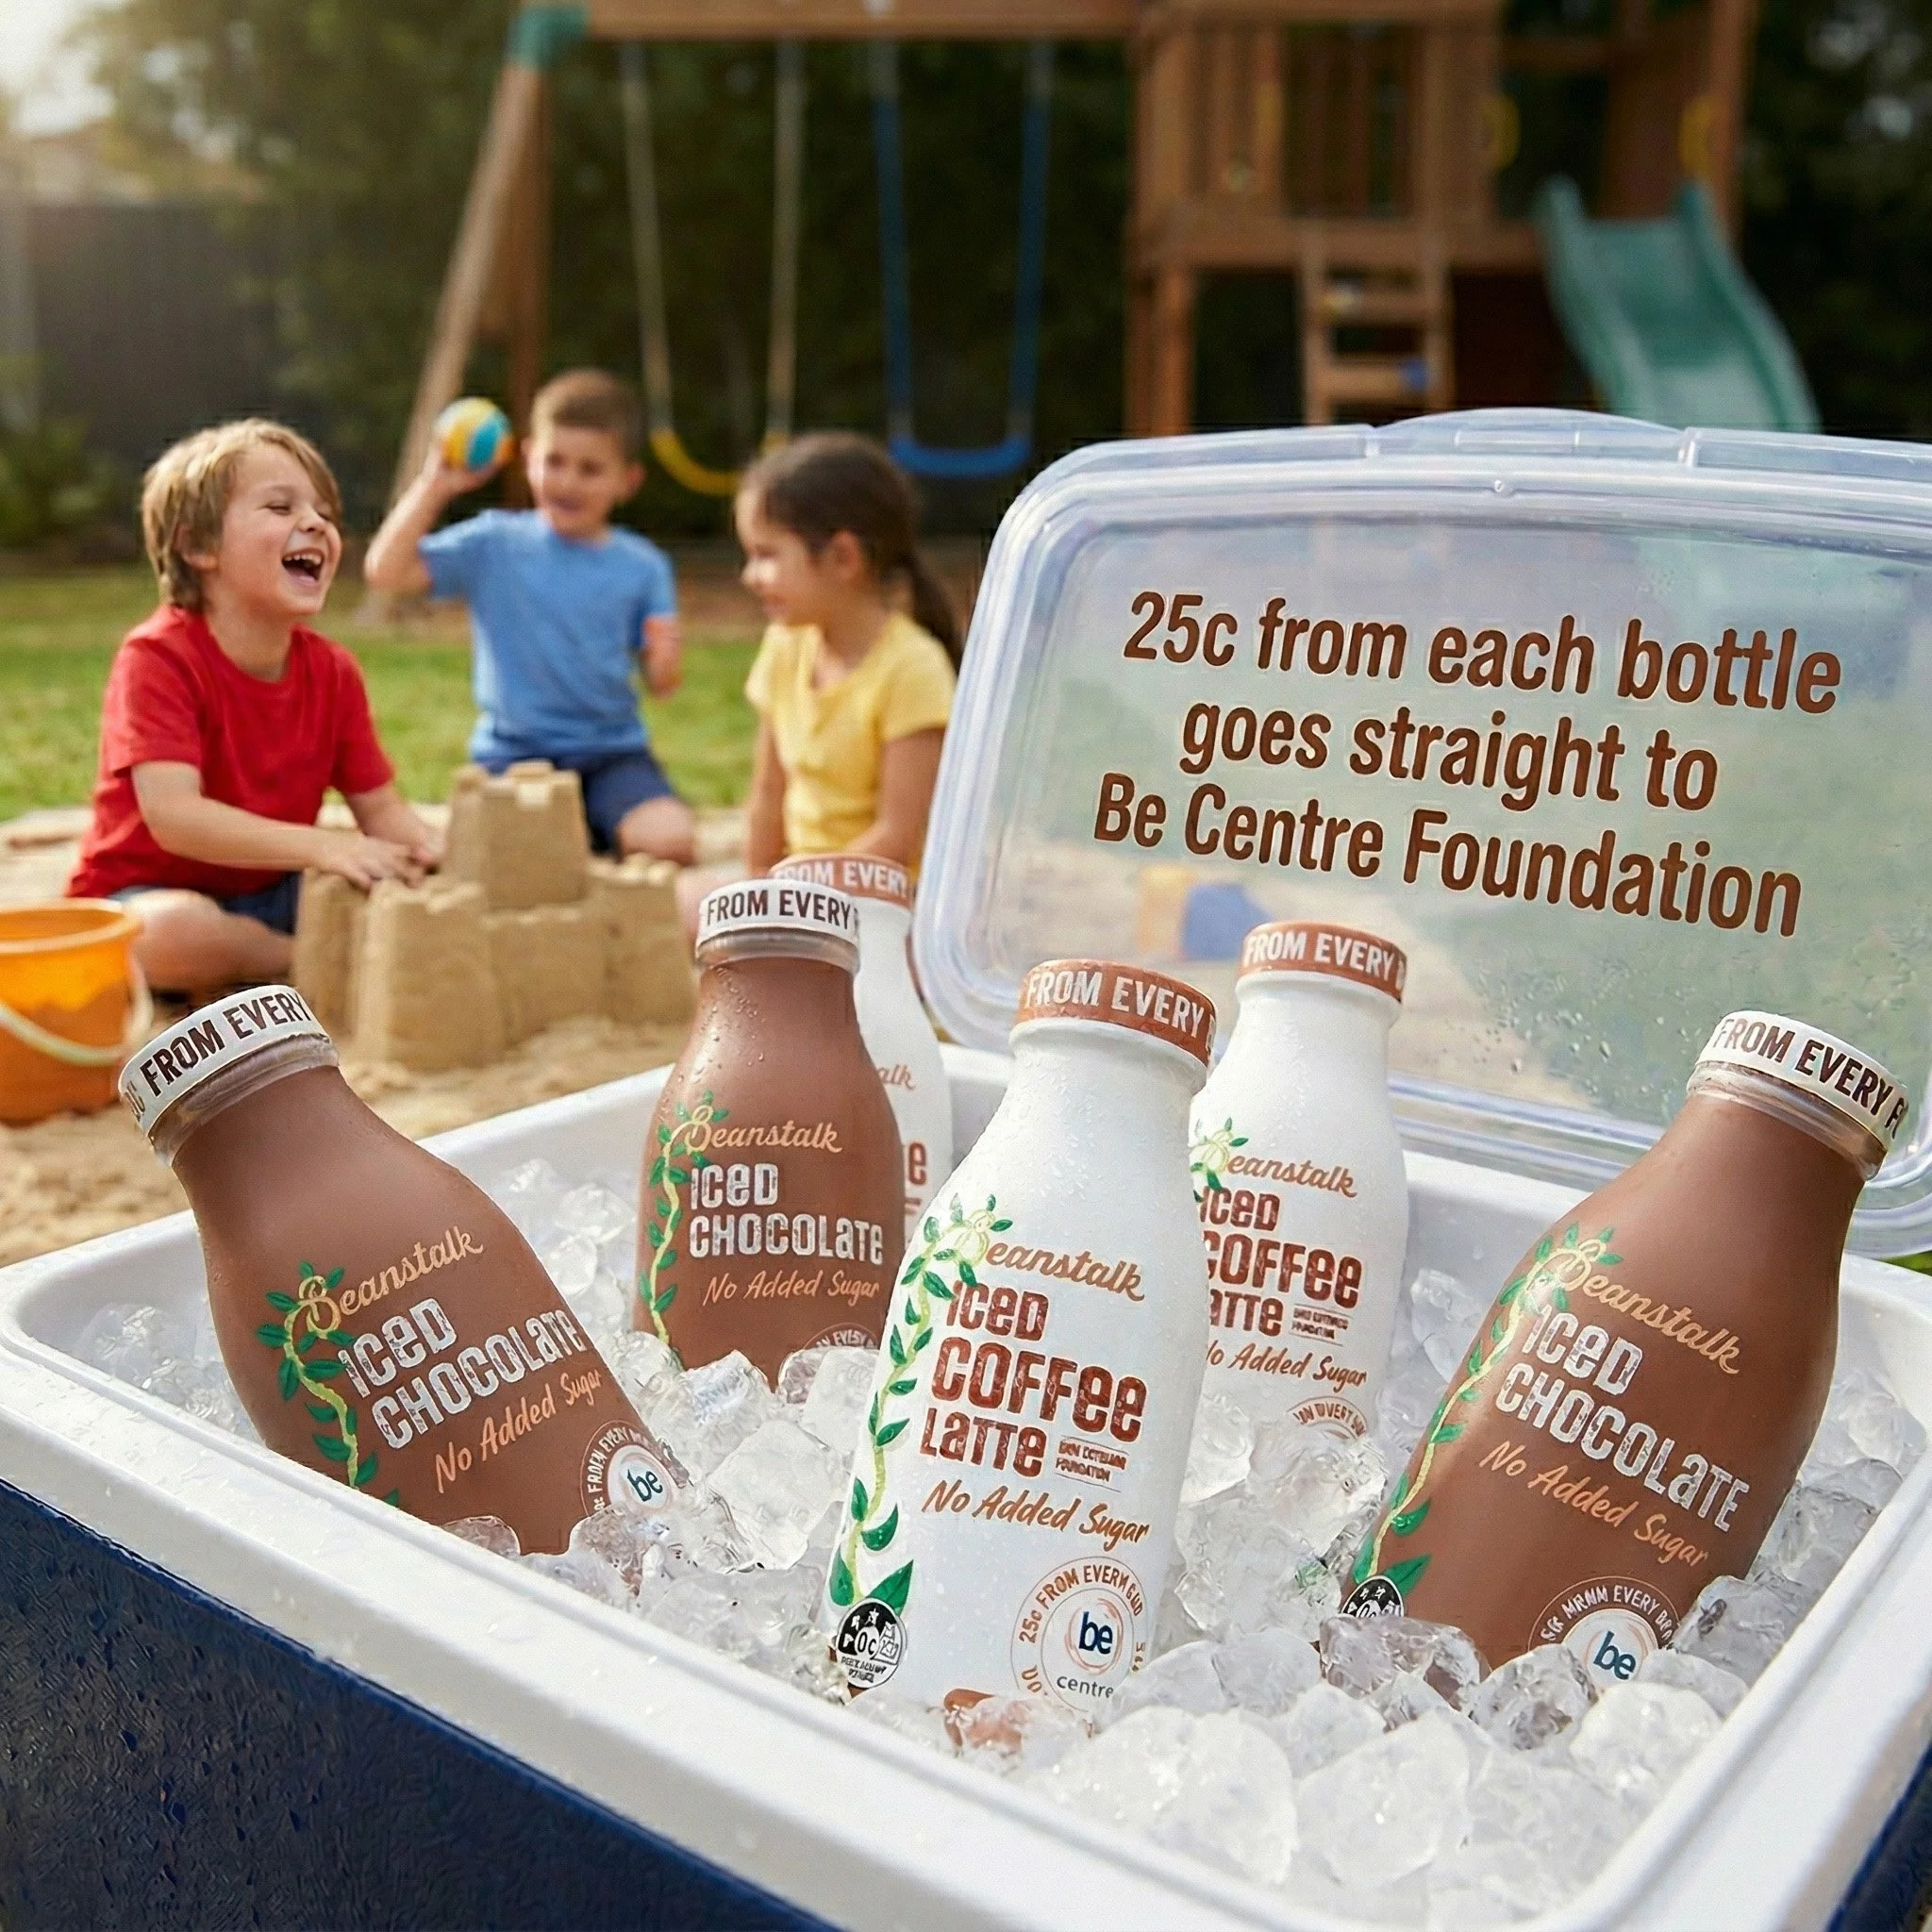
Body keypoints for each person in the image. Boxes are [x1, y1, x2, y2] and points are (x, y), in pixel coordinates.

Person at [68, 421, 439, 996]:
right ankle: (300, 960)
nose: (315, 523)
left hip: (274, 889)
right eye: (280, 506)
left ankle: (289, 955)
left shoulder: (334, 672)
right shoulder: (157, 659)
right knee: (165, 935)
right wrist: (323, 845)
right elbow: (175, 818)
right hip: (148, 893)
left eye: (322, 511)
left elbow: (380, 806)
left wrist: (424, 854)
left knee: (392, 888)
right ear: (199, 547)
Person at [363, 369, 695, 865]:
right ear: (527, 458)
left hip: (613, 755)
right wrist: (437, 485)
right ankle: (573, 838)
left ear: (628, 481)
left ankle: (590, 830)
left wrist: (664, 665)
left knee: (669, 842)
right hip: (514, 756)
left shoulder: (644, 567)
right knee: (502, 860)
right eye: (554, 461)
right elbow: (385, 572)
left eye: (590, 469)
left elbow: (662, 680)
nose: (568, 481)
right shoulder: (493, 543)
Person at [735, 433, 959, 875]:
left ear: (842, 557)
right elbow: (768, 792)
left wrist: (797, 894)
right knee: (687, 905)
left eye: (765, 555)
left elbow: (897, 838)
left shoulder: (913, 669)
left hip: (882, 904)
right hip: (800, 893)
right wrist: (754, 895)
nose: (750, 576)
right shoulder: (785, 645)